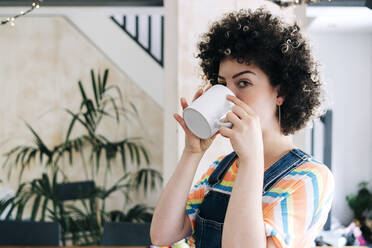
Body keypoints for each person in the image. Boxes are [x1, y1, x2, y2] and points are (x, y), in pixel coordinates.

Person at [150, 8, 334, 248]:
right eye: (222, 84)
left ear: (282, 92)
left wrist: (251, 161)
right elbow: (163, 234)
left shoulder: (310, 178)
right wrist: (192, 153)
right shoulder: (222, 169)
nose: (229, 95)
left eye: (244, 83)